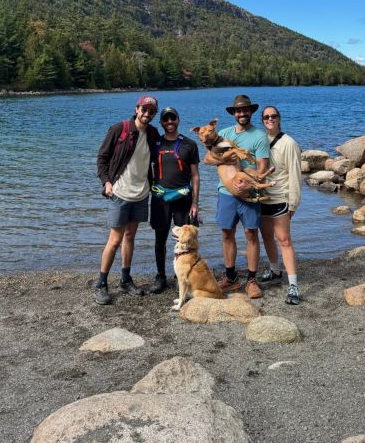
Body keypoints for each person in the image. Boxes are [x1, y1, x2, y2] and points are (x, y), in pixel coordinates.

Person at [94, 95, 161, 305]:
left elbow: (161, 157)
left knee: (130, 237)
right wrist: (106, 182)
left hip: (141, 194)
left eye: (151, 111)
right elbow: (102, 158)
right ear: (137, 109)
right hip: (120, 193)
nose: (147, 114)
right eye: (144, 109)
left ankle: (125, 279)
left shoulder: (152, 133)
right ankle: (101, 283)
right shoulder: (119, 129)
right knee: (114, 240)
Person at [203, 94, 270, 299]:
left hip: (249, 189)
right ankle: (231, 278)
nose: (242, 113)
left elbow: (262, 166)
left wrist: (247, 183)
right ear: (234, 113)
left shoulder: (259, 136)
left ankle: (251, 280)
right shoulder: (222, 133)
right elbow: (207, 159)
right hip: (226, 193)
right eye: (238, 110)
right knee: (227, 234)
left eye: (245, 110)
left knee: (251, 234)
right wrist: (227, 157)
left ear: (251, 112)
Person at [148, 106, 200, 294]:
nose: (169, 122)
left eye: (173, 118)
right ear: (161, 122)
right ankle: (160, 276)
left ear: (178, 120)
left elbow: (195, 175)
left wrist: (195, 202)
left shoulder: (189, 145)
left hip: (183, 199)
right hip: (160, 199)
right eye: (166, 119)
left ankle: (184, 276)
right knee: (160, 239)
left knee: (186, 241)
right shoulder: (154, 144)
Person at [258, 105, 303, 305]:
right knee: (267, 237)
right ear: (262, 120)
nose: (270, 119)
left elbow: (295, 174)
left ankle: (293, 285)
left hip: (280, 199)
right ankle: (275, 270)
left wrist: (293, 203)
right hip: (262, 198)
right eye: (266, 117)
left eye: (273, 116)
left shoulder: (289, 143)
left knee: (284, 240)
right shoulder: (259, 140)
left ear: (279, 118)